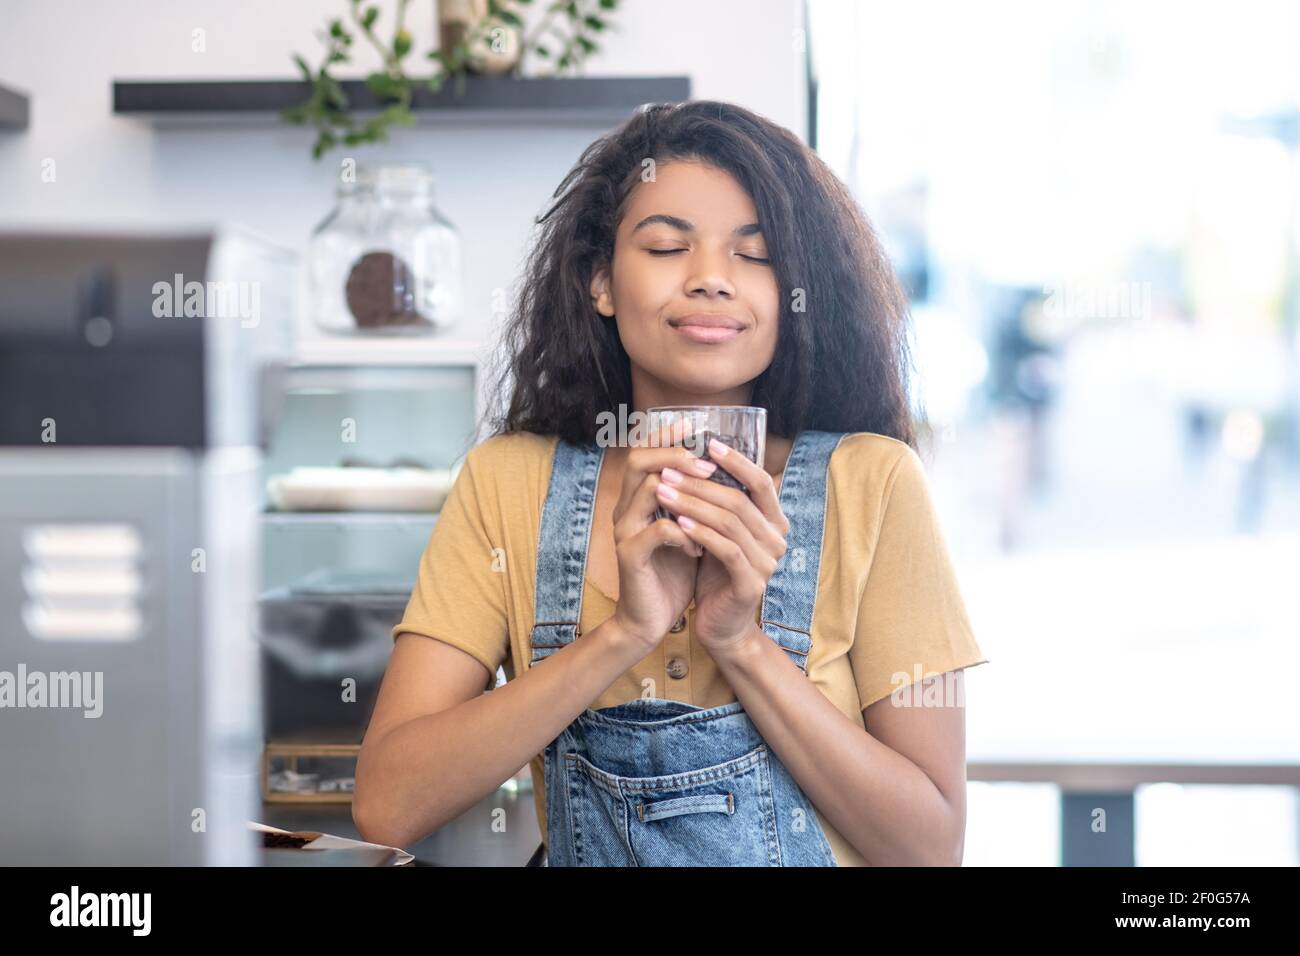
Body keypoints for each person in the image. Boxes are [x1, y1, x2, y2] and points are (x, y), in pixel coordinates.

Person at [353, 100, 988, 866]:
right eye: (665, 247)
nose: (712, 280)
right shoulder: (507, 482)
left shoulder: (874, 483)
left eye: (755, 256)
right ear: (601, 282)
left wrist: (742, 644)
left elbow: (930, 849)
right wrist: (623, 635)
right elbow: (389, 804)